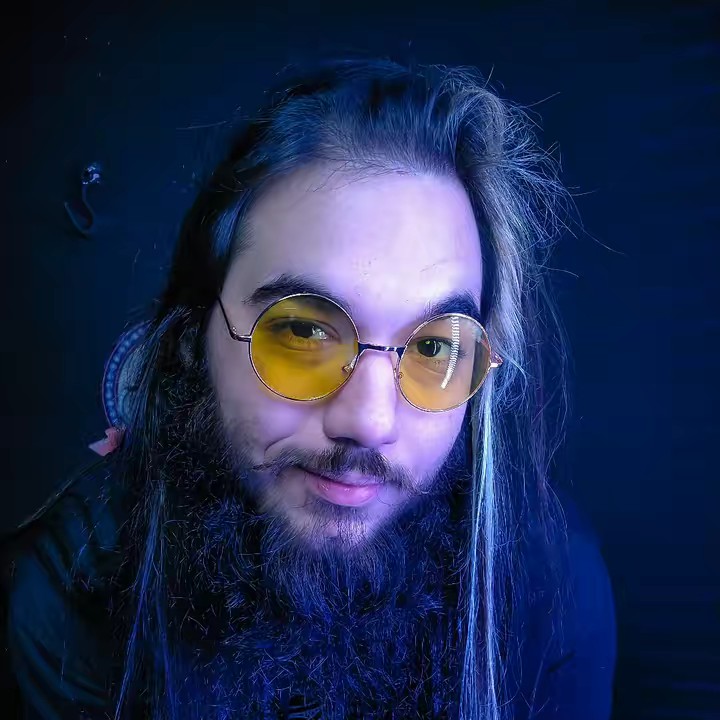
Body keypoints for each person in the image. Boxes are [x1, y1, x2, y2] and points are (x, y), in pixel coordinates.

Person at [0, 57, 616, 719]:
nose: (370, 422)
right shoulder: (68, 595)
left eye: (434, 347)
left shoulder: (552, 588)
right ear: (191, 338)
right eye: (302, 331)